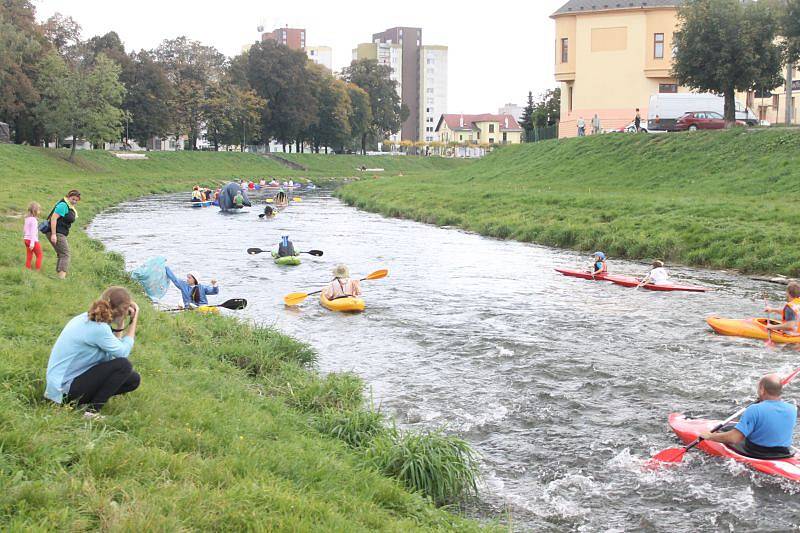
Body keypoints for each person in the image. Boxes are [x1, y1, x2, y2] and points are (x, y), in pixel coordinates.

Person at [45, 287, 141, 419]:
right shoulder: (99, 329)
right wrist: (134, 320)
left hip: (62, 384)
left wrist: (120, 324)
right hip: (63, 390)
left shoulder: (88, 318)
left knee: (133, 379)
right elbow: (122, 353)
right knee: (124, 366)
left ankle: (80, 403)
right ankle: (92, 412)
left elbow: (115, 351)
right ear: (121, 311)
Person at [700, 373, 797, 459]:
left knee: (726, 429)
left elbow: (734, 438)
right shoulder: (792, 409)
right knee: (732, 427)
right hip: (783, 452)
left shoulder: (754, 409)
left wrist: (710, 436)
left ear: (762, 390)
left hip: (758, 452)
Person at [43, 190, 81, 279]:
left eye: (76, 200)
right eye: (73, 199)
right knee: (65, 254)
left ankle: (59, 277)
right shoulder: (63, 205)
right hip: (56, 233)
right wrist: (53, 234)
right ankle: (61, 278)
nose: (74, 201)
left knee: (61, 253)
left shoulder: (69, 206)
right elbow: (53, 218)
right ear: (68, 197)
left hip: (60, 233)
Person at [23, 201, 43, 270]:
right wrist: (32, 243)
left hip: (26, 239)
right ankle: (37, 270)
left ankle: (27, 269)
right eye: (39, 210)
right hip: (32, 240)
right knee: (39, 255)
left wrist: (26, 238)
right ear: (35, 211)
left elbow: (25, 229)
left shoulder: (27, 219)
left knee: (29, 256)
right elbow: (33, 232)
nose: (39, 211)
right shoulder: (34, 220)